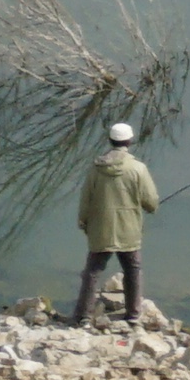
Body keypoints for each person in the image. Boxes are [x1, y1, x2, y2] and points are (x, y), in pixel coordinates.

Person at [70, 117, 156, 324]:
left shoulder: (96, 168)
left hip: (100, 228)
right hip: (129, 229)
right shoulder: (138, 168)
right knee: (132, 269)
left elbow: (86, 199)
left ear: (110, 140)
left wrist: (83, 221)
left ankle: (83, 316)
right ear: (129, 141)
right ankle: (133, 314)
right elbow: (151, 202)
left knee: (92, 272)